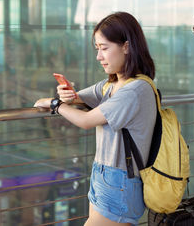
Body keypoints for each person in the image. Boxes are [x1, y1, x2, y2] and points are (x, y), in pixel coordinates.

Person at [34, 11, 157, 226]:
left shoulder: (135, 90)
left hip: (119, 182)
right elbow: (78, 98)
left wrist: (55, 104)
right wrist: (66, 96)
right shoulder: (111, 85)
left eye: (104, 48)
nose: (99, 56)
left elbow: (86, 120)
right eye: (97, 49)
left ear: (126, 47)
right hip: (104, 176)